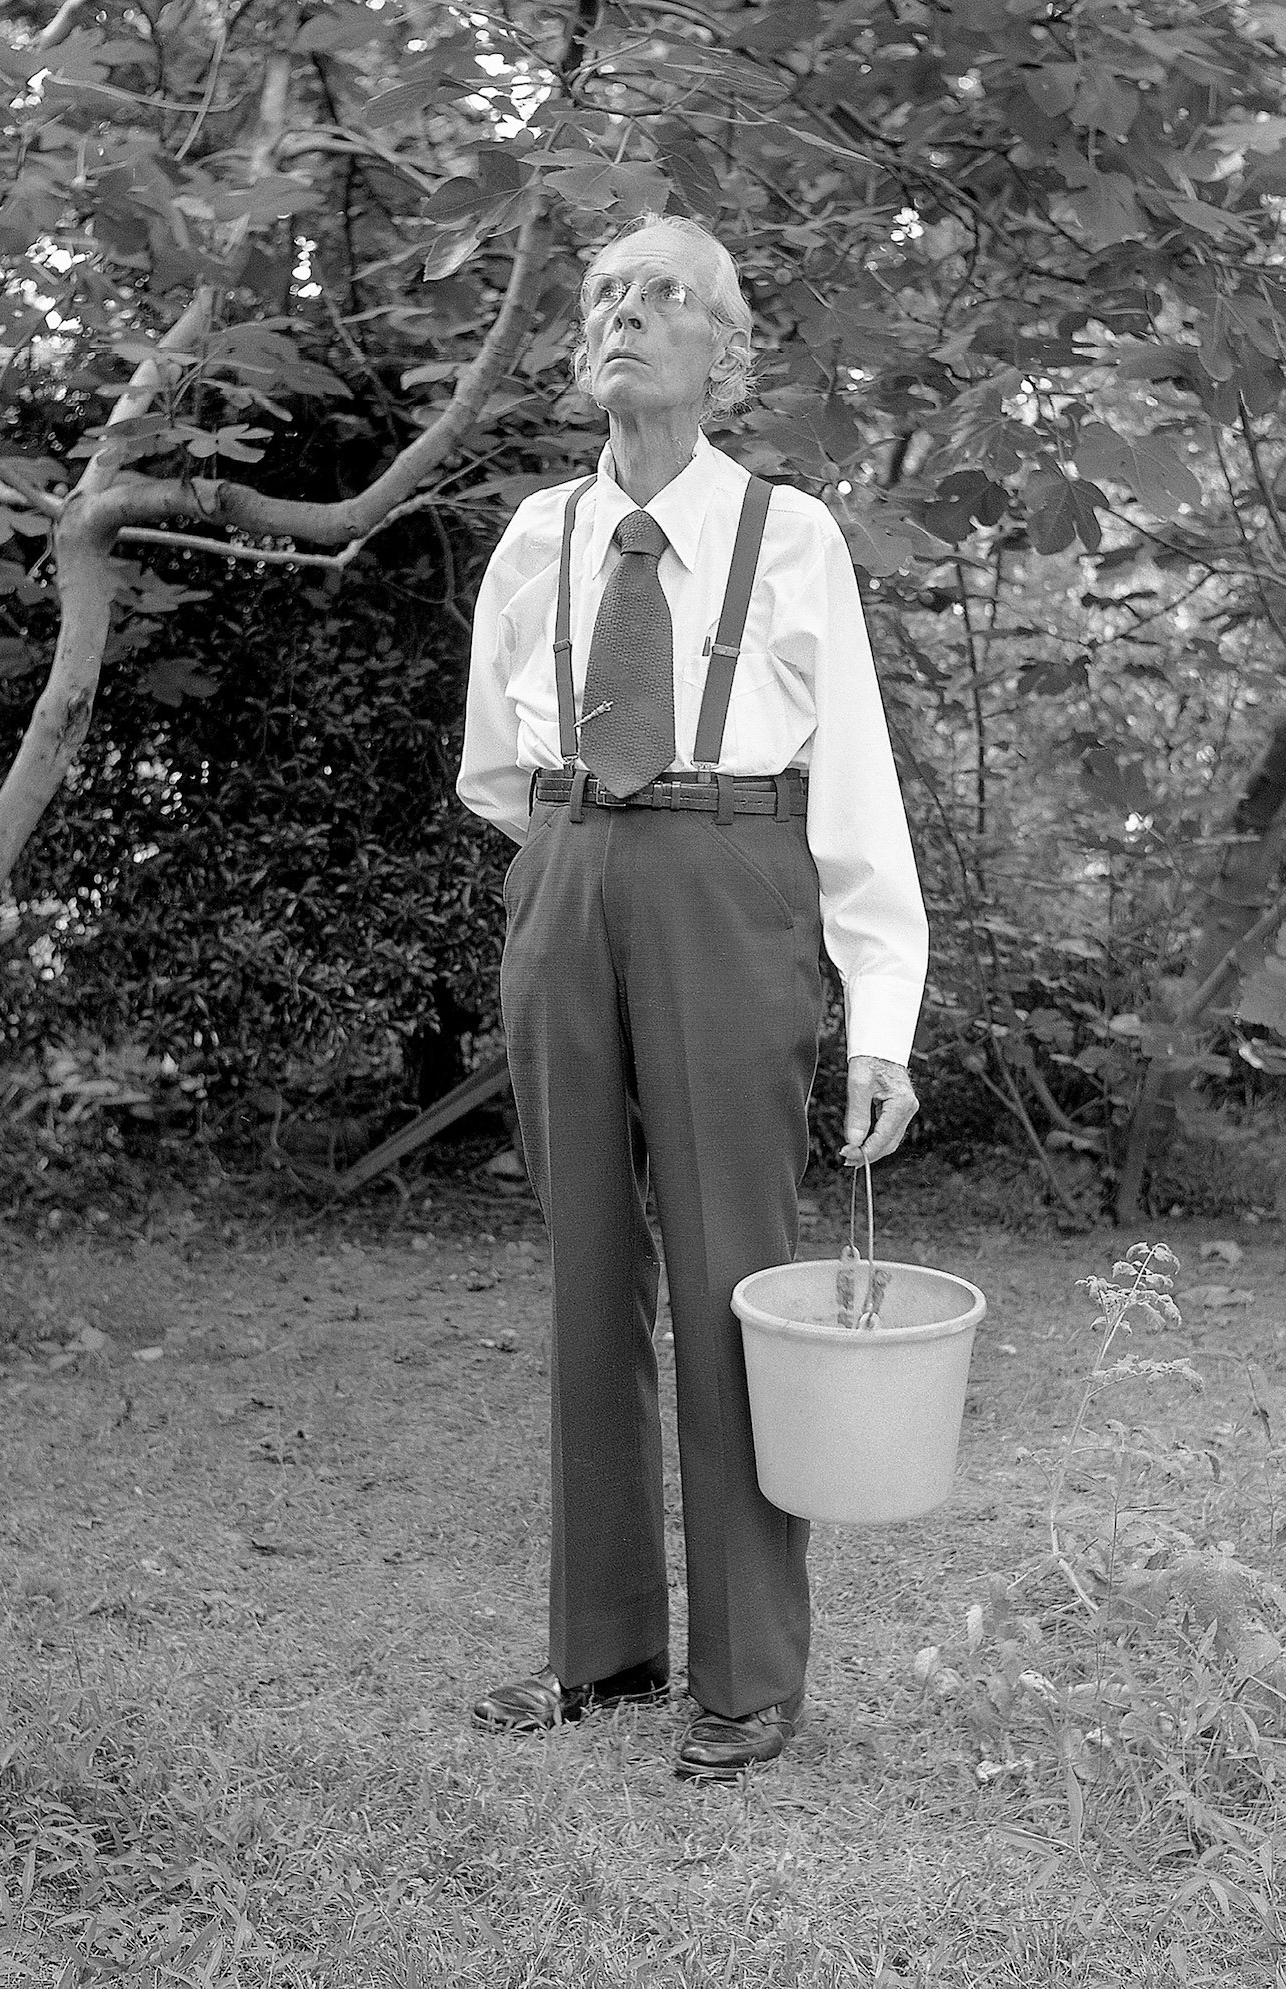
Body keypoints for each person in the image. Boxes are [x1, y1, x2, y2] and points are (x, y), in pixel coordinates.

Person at [456, 212, 928, 1781]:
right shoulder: (538, 535)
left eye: (666, 297)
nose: (624, 316)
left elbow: (854, 783)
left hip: (733, 883)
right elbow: (492, 768)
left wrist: (882, 1020)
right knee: (587, 1265)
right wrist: (576, 877)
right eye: (604, 294)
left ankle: (748, 1669)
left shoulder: (789, 535)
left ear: (726, 354)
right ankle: (601, 1648)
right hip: (572, 868)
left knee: (736, 1270)